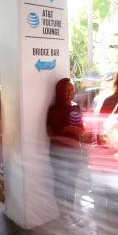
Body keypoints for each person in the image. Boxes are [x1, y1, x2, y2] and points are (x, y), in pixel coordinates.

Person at [46, 78, 85, 218]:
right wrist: (66, 129)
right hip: (59, 151)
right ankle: (62, 212)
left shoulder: (76, 106)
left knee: (72, 181)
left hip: (75, 150)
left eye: (72, 90)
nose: (70, 93)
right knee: (60, 181)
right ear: (60, 92)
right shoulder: (54, 109)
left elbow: (81, 126)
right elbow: (49, 132)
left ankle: (69, 211)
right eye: (66, 90)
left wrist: (80, 130)